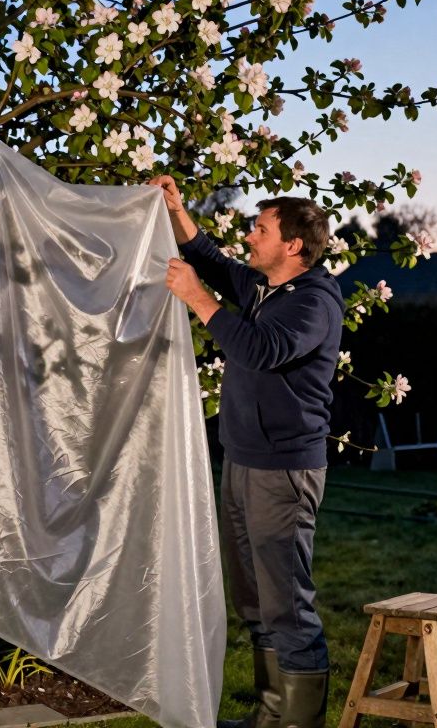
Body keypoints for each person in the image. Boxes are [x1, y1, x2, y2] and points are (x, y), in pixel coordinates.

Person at [149, 176, 345, 728]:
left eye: (261, 229)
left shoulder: (313, 303)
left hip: (284, 470)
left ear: (293, 247)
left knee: (287, 603)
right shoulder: (266, 288)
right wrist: (176, 211)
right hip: (242, 460)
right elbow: (209, 260)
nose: (249, 235)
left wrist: (197, 299)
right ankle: (270, 716)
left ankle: (297, 724)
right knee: (256, 600)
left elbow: (261, 350)